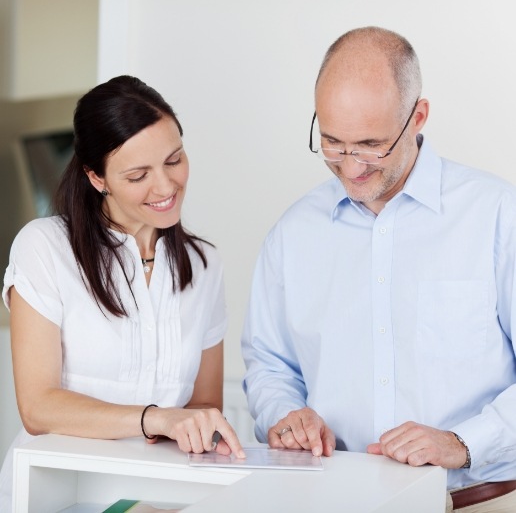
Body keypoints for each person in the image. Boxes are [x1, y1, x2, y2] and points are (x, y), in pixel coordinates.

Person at [241, 26, 516, 512]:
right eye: (332, 143)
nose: (351, 168)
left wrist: (465, 441)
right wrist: (286, 415)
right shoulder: (292, 233)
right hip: (331, 501)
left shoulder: (498, 216)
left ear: (418, 117)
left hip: (479, 501)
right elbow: (269, 363)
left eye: (371, 145)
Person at [0, 75, 245, 511]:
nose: (166, 187)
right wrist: (155, 418)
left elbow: (204, 406)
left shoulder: (204, 264)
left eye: (174, 160)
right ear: (97, 178)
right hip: (59, 490)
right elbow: (38, 407)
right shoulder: (45, 247)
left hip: (161, 492)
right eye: (138, 176)